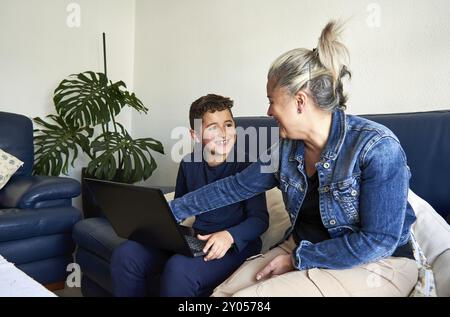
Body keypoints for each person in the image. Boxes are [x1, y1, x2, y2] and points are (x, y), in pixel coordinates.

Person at [169, 21, 419, 297]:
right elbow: (235, 186)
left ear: (299, 102)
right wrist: (173, 210)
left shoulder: (376, 147)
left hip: (377, 263)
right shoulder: (286, 150)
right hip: (302, 246)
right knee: (222, 296)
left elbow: (378, 241)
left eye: (271, 100)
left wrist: (299, 259)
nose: (267, 111)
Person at [110, 94, 269, 297]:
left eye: (228, 125)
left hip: (236, 245)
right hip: (200, 238)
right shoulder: (189, 164)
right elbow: (180, 209)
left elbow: (260, 220)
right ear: (195, 135)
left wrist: (229, 236)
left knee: (179, 269)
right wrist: (155, 226)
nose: (223, 133)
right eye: (213, 128)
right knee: (126, 254)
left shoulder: (248, 167)